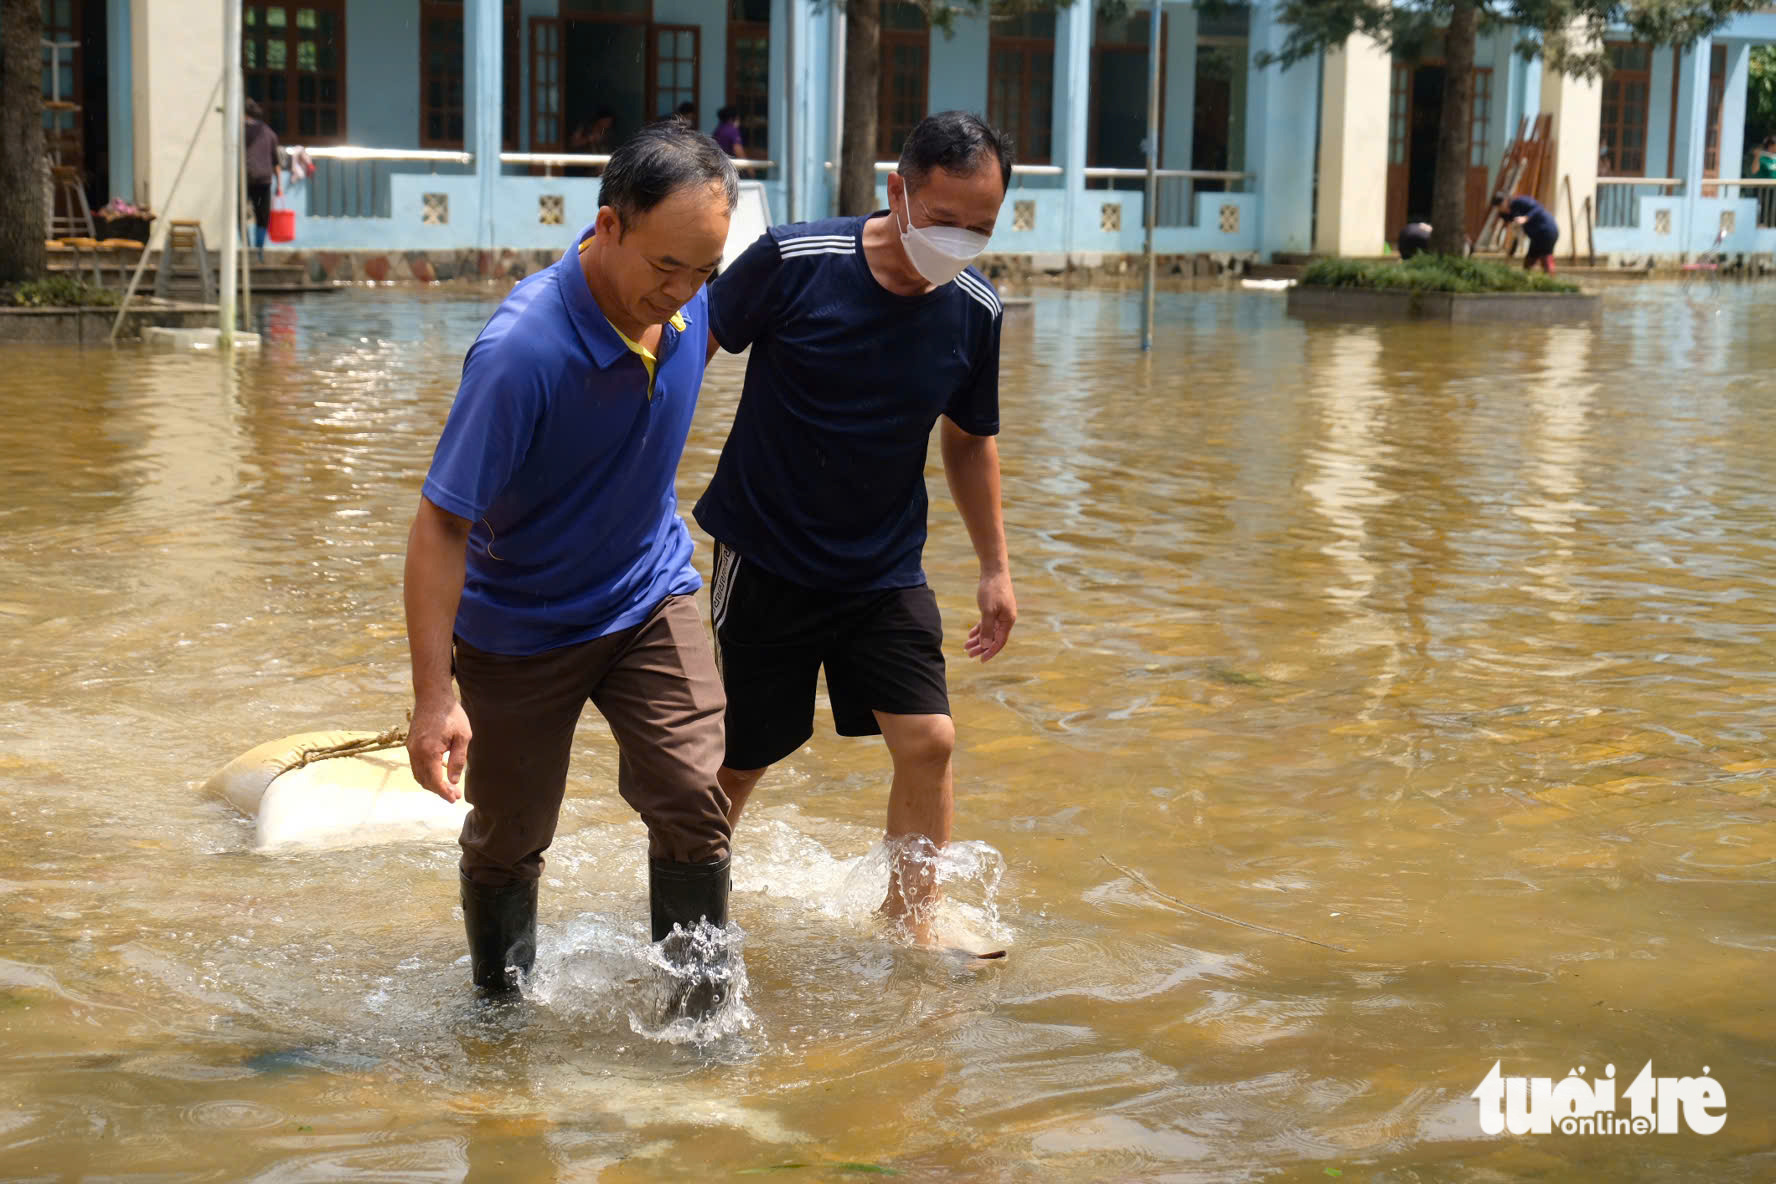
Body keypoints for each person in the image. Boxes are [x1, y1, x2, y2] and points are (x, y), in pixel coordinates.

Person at [403, 123, 740, 1014]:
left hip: (646, 594)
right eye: (667, 267)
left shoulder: (689, 299)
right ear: (608, 225)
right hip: (521, 626)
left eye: (703, 274)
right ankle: (500, 1015)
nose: (680, 295)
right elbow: (440, 525)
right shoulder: (522, 355)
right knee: (510, 836)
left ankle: (699, 1018)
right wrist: (436, 696)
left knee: (692, 793)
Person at [696, 110, 1017, 948]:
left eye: (979, 228)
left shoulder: (975, 309)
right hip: (766, 553)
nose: (959, 243)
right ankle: (689, 905)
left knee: (930, 741)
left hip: (882, 566)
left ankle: (910, 924)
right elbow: (687, 346)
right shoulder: (796, 264)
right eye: (945, 221)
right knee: (743, 757)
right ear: (897, 192)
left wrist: (995, 567)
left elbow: (969, 438)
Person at [243, 99, 284, 260]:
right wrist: (280, 185)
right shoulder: (269, 132)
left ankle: (247, 248)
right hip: (264, 180)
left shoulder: (241, 131)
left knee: (239, 214)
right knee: (262, 217)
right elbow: (276, 162)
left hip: (245, 179)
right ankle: (259, 251)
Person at [1494, 191, 1559, 273]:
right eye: (1498, 207)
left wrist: (1526, 218)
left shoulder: (1520, 201)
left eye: (1501, 205)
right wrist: (1512, 250)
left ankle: (1550, 281)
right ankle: (1528, 279)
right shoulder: (1508, 214)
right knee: (1529, 261)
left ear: (1506, 200)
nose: (1501, 209)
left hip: (1547, 231)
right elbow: (1516, 233)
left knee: (1545, 258)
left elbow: (1538, 208)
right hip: (1535, 237)